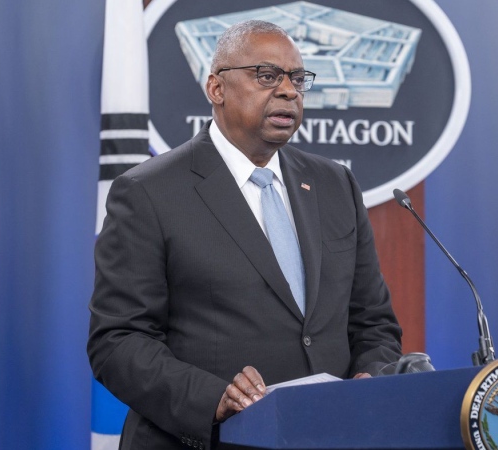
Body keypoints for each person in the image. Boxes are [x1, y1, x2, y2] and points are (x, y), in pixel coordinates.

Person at [87, 20, 403, 450]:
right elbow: (118, 340)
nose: (289, 91)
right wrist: (213, 397)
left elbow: (373, 322)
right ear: (216, 89)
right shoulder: (148, 192)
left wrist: (373, 375)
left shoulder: (335, 185)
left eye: (297, 79)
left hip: (328, 434)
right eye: (267, 76)